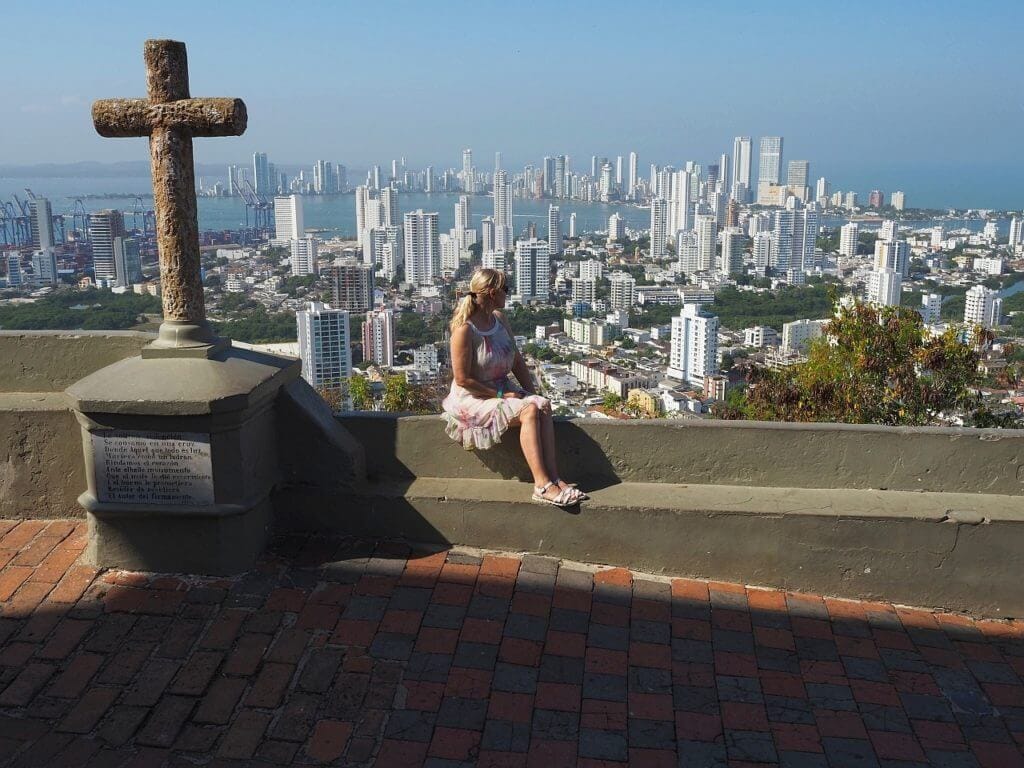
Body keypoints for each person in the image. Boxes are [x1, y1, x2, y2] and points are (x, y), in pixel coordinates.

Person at [442, 268, 585, 508]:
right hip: (473, 396)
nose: (508, 294)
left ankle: (555, 479)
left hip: (501, 389)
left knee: (541, 405)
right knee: (529, 411)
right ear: (492, 293)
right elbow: (463, 380)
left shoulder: (499, 319)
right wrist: (502, 394)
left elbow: (517, 361)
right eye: (505, 289)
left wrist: (531, 393)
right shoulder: (465, 330)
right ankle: (541, 485)